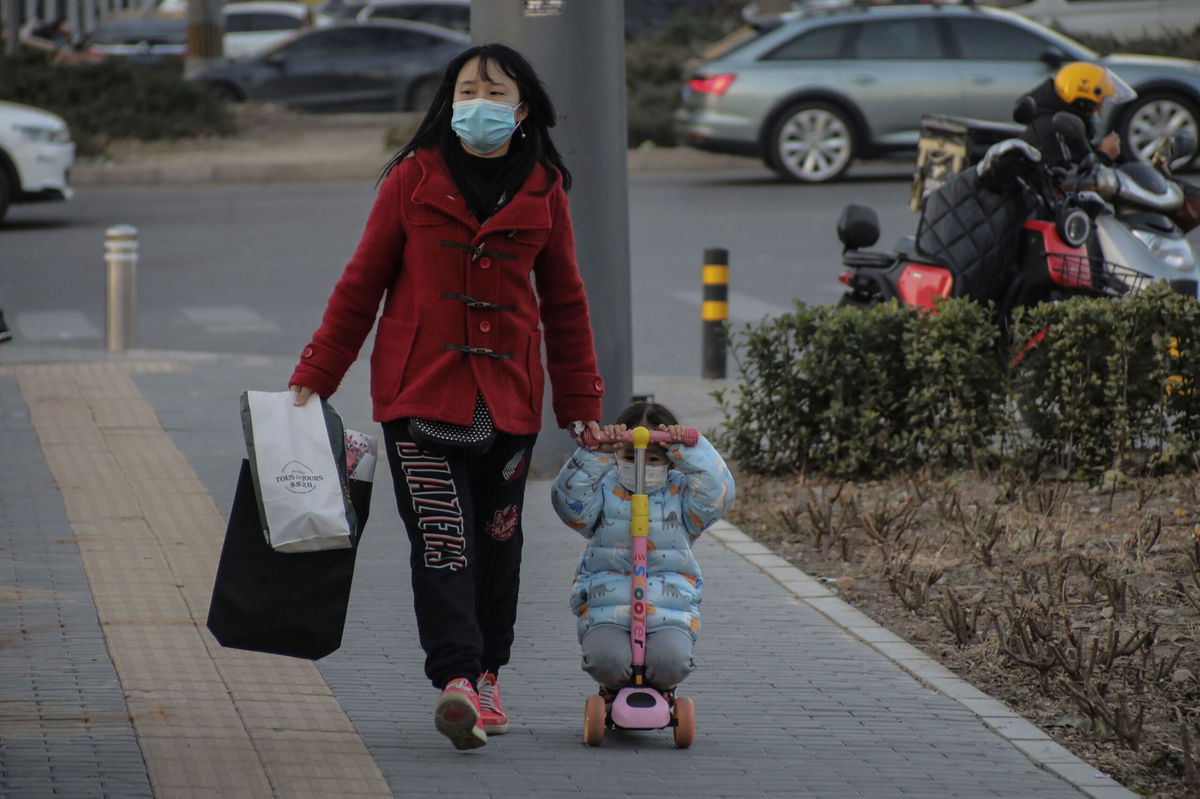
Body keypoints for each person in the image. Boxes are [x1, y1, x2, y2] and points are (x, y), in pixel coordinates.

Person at [287, 43, 604, 751]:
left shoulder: (545, 186)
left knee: (500, 545)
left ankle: (490, 673)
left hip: (509, 402)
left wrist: (579, 394)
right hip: (420, 395)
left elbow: (564, 300)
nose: (479, 105)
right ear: (448, 101)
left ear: (521, 111)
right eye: (467, 91)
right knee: (442, 542)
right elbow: (361, 284)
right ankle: (456, 680)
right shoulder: (412, 179)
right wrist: (318, 371)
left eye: (495, 94)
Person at [550, 401, 736, 699]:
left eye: (653, 458)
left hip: (669, 609)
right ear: (616, 455)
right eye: (630, 456)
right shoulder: (606, 489)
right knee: (606, 662)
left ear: (670, 461)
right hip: (607, 606)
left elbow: (718, 493)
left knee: (671, 664)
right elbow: (569, 502)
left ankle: (663, 688)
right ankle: (611, 687)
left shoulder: (682, 497)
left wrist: (689, 448)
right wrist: (595, 453)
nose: (641, 466)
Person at [1017, 61, 1136, 169]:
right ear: (1084, 103)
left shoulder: (1061, 123)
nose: (1100, 110)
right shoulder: (1056, 130)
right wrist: (1104, 155)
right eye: (1100, 103)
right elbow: (1072, 183)